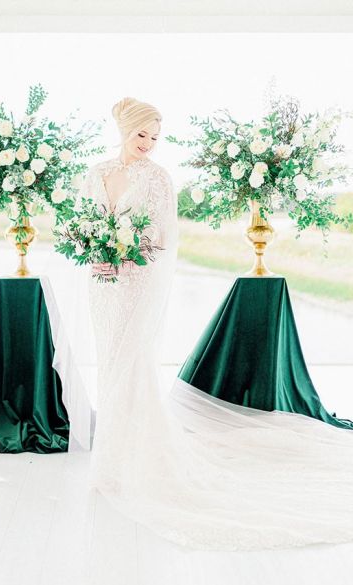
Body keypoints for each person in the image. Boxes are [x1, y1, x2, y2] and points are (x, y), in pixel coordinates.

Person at [73, 97, 353, 551]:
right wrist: (98, 255)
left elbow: (162, 238)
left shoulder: (158, 178)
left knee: (134, 362)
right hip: (102, 284)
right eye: (142, 134)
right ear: (124, 131)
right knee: (109, 364)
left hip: (138, 283)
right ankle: (110, 462)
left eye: (155, 137)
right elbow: (84, 224)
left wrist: (125, 252)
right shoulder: (95, 174)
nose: (148, 144)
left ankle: (137, 462)